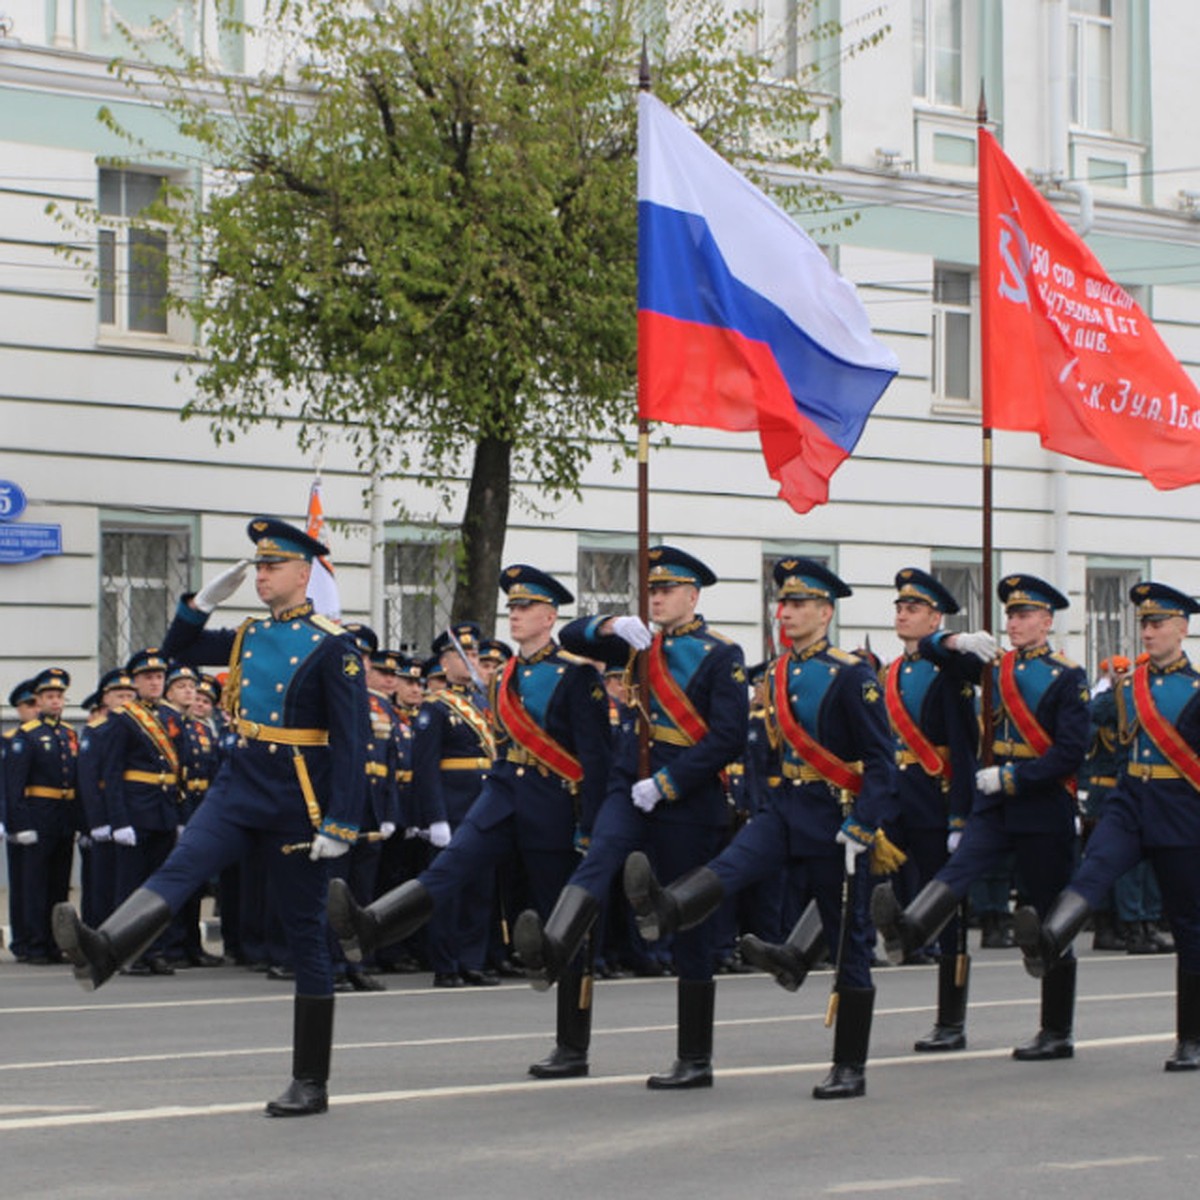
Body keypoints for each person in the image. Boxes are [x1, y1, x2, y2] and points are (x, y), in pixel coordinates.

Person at [53, 517, 368, 1117]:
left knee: (305, 933)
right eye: (258, 565)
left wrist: (342, 821)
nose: (261, 574)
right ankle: (105, 951)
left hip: (296, 797)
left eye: (272, 565)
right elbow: (173, 652)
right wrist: (198, 604)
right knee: (183, 864)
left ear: (304, 574)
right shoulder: (248, 634)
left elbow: (353, 742)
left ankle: (311, 1080)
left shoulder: (334, 645)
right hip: (238, 782)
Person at [622, 558, 900, 1098]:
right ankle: (668, 907)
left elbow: (881, 761)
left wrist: (864, 825)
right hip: (782, 809)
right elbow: (762, 749)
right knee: (729, 867)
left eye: (798, 605)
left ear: (825, 611)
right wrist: (759, 800)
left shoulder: (851, 674)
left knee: (849, 940)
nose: (786, 613)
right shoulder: (774, 671)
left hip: (834, 816)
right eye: (783, 604)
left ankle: (850, 1066)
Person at [329, 564, 611, 1075]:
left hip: (553, 800)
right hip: (503, 793)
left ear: (549, 616)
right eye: (514, 607)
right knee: (450, 866)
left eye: (526, 608)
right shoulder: (503, 676)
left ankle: (572, 1046)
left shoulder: (578, 675)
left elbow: (596, 759)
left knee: (564, 918)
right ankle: (371, 927)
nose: (516, 614)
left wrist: (591, 826)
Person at [512, 545, 747, 1089]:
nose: (657, 598)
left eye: (667, 590)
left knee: (687, 919)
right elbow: (571, 637)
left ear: (693, 596)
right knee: (595, 865)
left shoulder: (720, 654)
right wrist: (614, 622)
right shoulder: (637, 639)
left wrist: (667, 783)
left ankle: (694, 1057)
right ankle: (555, 951)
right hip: (626, 781)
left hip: (684, 796)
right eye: (652, 590)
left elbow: (729, 738)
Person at [873, 573, 1089, 1062]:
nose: (1015, 623)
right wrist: (956, 639)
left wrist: (1011, 779)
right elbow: (930, 651)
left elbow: (1070, 753)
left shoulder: (1066, 675)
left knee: (1049, 914)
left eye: (1025, 614)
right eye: (1010, 614)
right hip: (993, 805)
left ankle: (1056, 1029)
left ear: (1046, 621)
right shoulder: (993, 667)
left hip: (1039, 802)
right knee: (958, 870)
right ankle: (910, 930)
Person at [1013, 581, 1200, 1071]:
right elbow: (1079, 720)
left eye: (1158, 623)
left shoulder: (1197, 690)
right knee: (1093, 870)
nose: (1148, 631)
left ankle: (1192, 1039)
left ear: (1182, 628)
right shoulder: (1126, 685)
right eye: (1143, 623)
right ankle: (1049, 939)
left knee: (1187, 922)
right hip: (1129, 799)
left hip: (1180, 808)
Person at [882, 569, 994, 1050]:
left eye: (913, 610)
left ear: (935, 618)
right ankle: (801, 953)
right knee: (851, 871)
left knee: (946, 909)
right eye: (900, 608)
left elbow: (966, 746)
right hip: (894, 793)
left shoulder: (951, 667)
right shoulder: (890, 671)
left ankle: (951, 1021)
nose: (902, 615)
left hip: (937, 794)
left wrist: (960, 814)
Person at [409, 621, 496, 986]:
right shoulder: (437, 707)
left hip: (483, 805)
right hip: (453, 806)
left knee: (480, 887)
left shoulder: (481, 703)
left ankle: (472, 960)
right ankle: (446, 964)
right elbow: (425, 767)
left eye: (475, 653)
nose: (472, 660)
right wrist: (435, 818)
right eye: (465, 654)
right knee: (449, 889)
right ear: (445, 663)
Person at [4, 667, 79, 964]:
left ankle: (52, 942)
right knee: (35, 885)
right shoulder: (26, 736)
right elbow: (14, 786)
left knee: (59, 885)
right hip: (38, 815)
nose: (55, 701)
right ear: (39, 700)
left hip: (63, 817)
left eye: (59, 696)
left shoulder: (68, 734)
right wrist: (20, 824)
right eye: (49, 696)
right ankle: (35, 943)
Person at [4, 679, 42, 960]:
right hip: (22, 817)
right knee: (24, 885)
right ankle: (25, 940)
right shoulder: (11, 740)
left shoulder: (54, 736)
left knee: (43, 884)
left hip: (47, 818)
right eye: (29, 704)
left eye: (37, 703)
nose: (36, 709)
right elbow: (8, 785)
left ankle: (41, 940)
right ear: (19, 709)